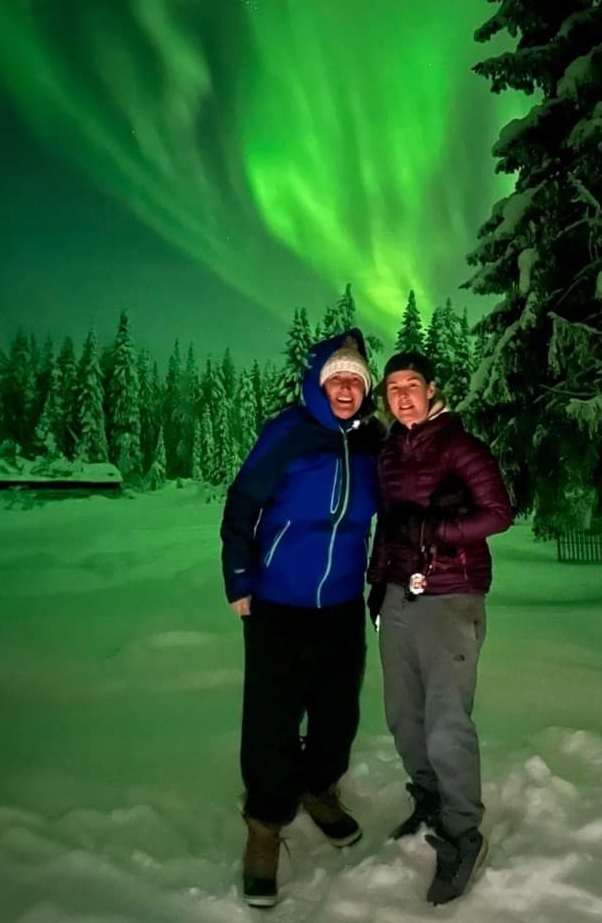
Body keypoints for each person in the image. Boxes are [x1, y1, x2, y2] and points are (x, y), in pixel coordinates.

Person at [220, 329, 382, 909]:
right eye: (337, 378)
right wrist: (240, 577)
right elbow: (243, 502)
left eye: (356, 380)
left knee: (337, 712)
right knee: (272, 718)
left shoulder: (373, 441)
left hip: (341, 603)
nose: (347, 388)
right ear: (318, 382)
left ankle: (319, 789)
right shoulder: (288, 431)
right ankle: (265, 827)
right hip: (278, 602)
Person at [366, 350, 513, 906]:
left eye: (412, 385)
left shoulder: (460, 446)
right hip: (398, 595)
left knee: (446, 721)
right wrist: (378, 581)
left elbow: (498, 513)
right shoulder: (389, 453)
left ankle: (462, 832)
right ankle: (428, 798)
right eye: (392, 387)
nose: (402, 396)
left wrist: (435, 529)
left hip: (451, 595)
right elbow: (388, 524)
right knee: (403, 715)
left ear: (431, 390)